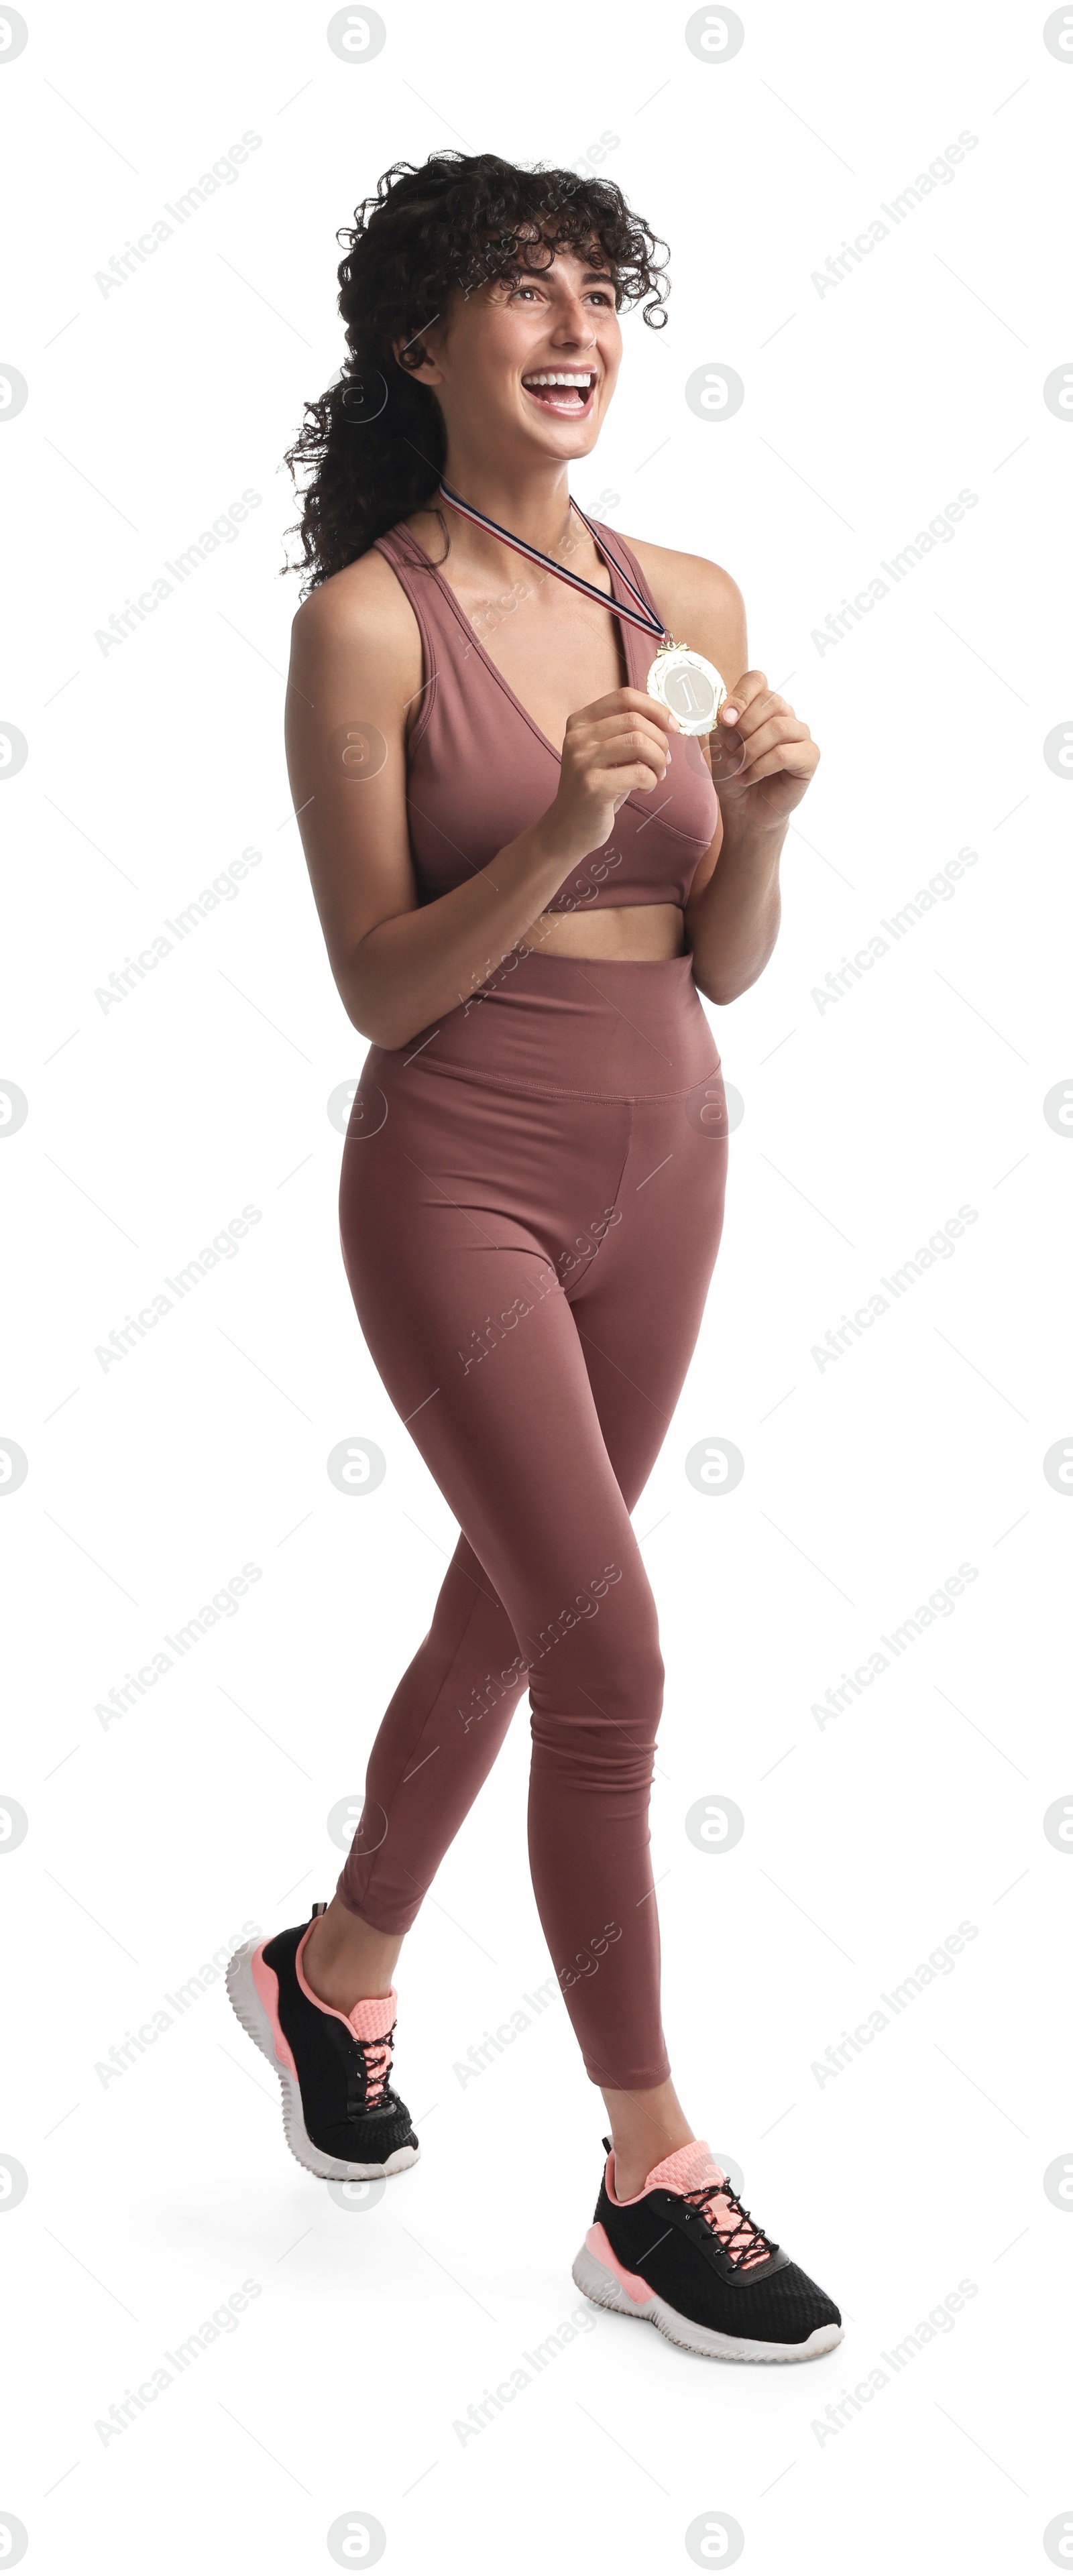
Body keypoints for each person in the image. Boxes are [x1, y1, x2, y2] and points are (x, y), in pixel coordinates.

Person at [227, 151, 841, 2365]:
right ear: (422, 344)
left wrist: (752, 823)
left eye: (600, 289)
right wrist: (567, 822)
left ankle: (331, 1970)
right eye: (519, 292)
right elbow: (381, 988)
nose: (573, 326)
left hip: (668, 1154)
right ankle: (650, 2166)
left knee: (512, 1611)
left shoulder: (693, 595)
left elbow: (726, 963)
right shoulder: (363, 618)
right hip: (458, 1173)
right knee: (610, 1653)